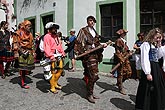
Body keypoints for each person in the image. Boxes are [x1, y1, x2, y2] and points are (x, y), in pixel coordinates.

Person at [74, 15, 107, 103]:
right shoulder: (83, 30)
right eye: (90, 20)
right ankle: (89, 94)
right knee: (94, 74)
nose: (91, 22)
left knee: (90, 74)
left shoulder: (95, 32)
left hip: (95, 54)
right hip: (88, 55)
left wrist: (103, 45)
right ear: (87, 21)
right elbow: (78, 41)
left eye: (93, 21)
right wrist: (77, 52)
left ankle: (90, 92)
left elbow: (97, 42)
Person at [135, 28, 165, 110]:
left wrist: (159, 45)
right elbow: (144, 59)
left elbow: (159, 56)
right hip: (150, 67)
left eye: (159, 37)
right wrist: (147, 72)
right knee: (148, 87)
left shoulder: (155, 45)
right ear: (152, 36)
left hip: (156, 67)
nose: (158, 39)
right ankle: (146, 106)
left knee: (158, 86)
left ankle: (155, 105)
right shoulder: (146, 44)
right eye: (157, 37)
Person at [44, 22, 65, 94]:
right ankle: (52, 86)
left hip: (58, 55)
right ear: (50, 29)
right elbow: (47, 47)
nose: (55, 30)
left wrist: (62, 52)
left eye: (56, 29)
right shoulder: (47, 36)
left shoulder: (56, 37)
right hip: (51, 56)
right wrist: (51, 56)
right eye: (54, 29)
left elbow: (59, 45)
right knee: (52, 72)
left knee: (60, 70)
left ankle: (55, 83)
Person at [13, 20, 35, 89]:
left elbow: (32, 44)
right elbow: (15, 43)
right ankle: (23, 83)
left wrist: (33, 52)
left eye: (30, 26)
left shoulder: (30, 34)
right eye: (28, 26)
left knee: (27, 68)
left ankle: (23, 79)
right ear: (25, 26)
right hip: (21, 51)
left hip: (28, 52)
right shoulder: (18, 33)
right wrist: (16, 52)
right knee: (22, 68)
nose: (29, 28)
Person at [114, 29, 132, 95]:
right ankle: (120, 87)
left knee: (128, 72)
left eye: (125, 33)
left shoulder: (124, 41)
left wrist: (129, 52)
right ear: (121, 34)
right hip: (121, 59)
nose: (125, 34)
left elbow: (126, 49)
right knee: (120, 73)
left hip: (126, 58)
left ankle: (119, 83)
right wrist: (121, 59)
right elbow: (117, 52)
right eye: (124, 33)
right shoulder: (118, 41)